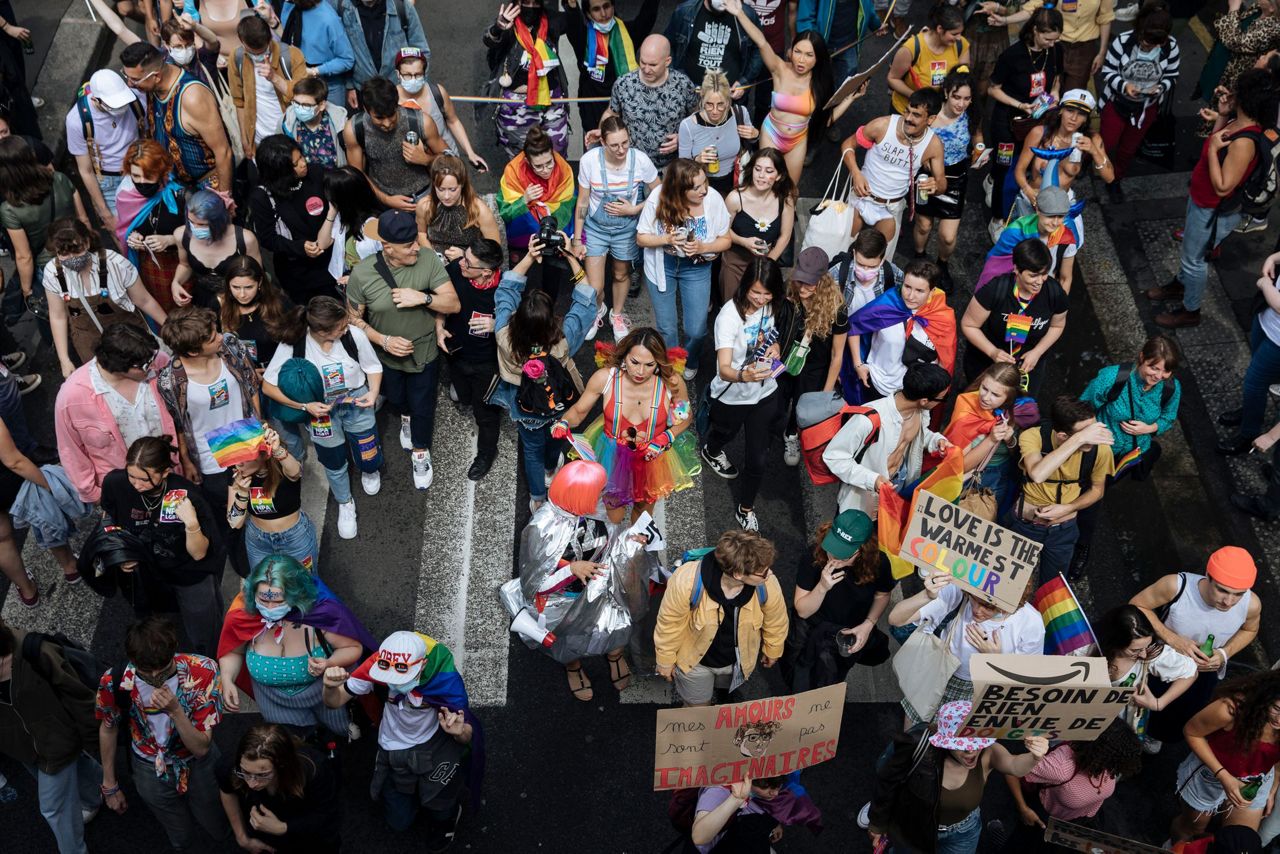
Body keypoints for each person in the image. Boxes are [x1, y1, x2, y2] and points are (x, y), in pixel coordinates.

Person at [500, 459, 657, 699]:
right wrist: (571, 570)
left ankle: (614, 656)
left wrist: (629, 539)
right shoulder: (542, 528)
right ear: (583, 496)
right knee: (567, 641)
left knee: (618, 628)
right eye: (599, 490)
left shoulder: (595, 507)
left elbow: (610, 539)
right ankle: (573, 667)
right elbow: (535, 585)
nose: (605, 493)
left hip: (602, 588)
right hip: (564, 602)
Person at [1148, 66, 1279, 329]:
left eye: (1237, 90)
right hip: (1202, 199)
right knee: (1190, 252)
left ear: (1245, 98)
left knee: (1194, 260)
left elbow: (1223, 186)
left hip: (1212, 209)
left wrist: (1212, 150)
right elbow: (1216, 145)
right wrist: (1222, 116)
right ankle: (1180, 284)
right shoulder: (1237, 121)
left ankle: (1190, 310)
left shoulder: (1245, 142)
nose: (1231, 92)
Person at [322, 630, 481, 846]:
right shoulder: (377, 665)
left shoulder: (443, 679)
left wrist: (459, 732)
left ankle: (448, 817)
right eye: (388, 676)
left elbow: (467, 733)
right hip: (391, 748)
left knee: (440, 803)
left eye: (402, 676)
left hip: (433, 748)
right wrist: (328, 687)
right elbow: (335, 701)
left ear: (423, 665)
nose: (393, 684)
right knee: (399, 821)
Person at [346, 210, 460, 490]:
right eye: (408, 245)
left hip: (423, 352)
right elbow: (352, 318)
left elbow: (453, 303)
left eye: (415, 241)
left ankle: (420, 450)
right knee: (397, 399)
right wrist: (382, 340)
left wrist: (422, 297)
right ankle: (405, 418)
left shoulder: (428, 260)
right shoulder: (362, 273)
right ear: (387, 247)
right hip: (384, 357)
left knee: (423, 405)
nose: (416, 248)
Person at [96, 616, 229, 851]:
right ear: (133, 660)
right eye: (147, 671)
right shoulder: (114, 681)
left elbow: (201, 749)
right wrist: (110, 784)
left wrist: (176, 711)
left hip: (197, 764)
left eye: (164, 668)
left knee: (215, 820)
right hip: (148, 768)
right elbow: (108, 728)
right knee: (178, 832)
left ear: (174, 649)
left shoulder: (203, 671)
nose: (156, 676)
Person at [492, 234, 595, 511]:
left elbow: (506, 292)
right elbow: (585, 300)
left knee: (531, 448)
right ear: (551, 321)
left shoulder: (504, 336)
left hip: (525, 403)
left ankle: (537, 497)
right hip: (559, 401)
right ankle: (551, 468)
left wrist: (529, 256)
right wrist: (570, 257)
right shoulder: (562, 341)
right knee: (556, 435)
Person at [264, 297, 383, 538]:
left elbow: (372, 367)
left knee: (367, 446)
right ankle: (345, 501)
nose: (346, 329)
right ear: (320, 331)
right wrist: (304, 406)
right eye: (340, 327)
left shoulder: (353, 336)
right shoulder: (294, 344)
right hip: (320, 410)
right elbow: (268, 386)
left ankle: (370, 469)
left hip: (355, 399)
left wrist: (372, 393)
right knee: (332, 458)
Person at [217, 555, 374, 736]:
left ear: (295, 595)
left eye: (278, 602)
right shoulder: (242, 618)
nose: (270, 608)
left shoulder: (321, 615)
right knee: (295, 741)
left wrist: (329, 663)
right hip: (274, 704)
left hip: (325, 695)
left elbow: (352, 648)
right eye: (263, 600)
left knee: (340, 730)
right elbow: (233, 651)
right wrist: (227, 679)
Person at [156, 306, 261, 576]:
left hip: (247, 440)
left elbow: (251, 386)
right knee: (233, 520)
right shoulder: (170, 380)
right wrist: (187, 459)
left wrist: (259, 430)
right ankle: (247, 570)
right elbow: (179, 422)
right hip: (211, 458)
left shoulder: (230, 346)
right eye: (213, 337)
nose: (221, 337)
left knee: (262, 503)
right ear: (193, 351)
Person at [866, 700, 1050, 853]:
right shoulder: (919, 750)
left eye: (976, 743)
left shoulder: (988, 754)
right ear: (946, 743)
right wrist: (877, 823)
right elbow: (887, 782)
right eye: (961, 745)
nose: (971, 751)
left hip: (964, 833)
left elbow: (1014, 766)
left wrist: (1035, 757)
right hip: (915, 827)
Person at [99, 437, 227, 656]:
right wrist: (120, 553)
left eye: (144, 479)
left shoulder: (187, 495)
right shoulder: (115, 483)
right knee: (154, 627)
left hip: (188, 572)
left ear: (165, 472)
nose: (136, 485)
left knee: (204, 631)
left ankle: (209, 663)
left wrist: (192, 523)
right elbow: (108, 518)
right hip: (147, 572)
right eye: (131, 476)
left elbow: (199, 554)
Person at [555, 327, 698, 521]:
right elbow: (578, 412)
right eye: (635, 362)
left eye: (649, 365)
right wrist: (563, 422)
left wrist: (667, 436)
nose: (640, 371)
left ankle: (633, 540)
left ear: (658, 362)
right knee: (614, 514)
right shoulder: (605, 378)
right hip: (612, 457)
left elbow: (685, 416)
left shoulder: (671, 382)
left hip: (651, 459)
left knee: (643, 511)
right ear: (624, 356)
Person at [1130, 548, 1263, 750]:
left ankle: (1153, 736)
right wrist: (1173, 639)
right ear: (1208, 576)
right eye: (1222, 590)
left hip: (1203, 669)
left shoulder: (1251, 604)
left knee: (1178, 713)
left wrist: (1224, 653)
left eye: (1238, 594)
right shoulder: (1176, 586)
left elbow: (1250, 629)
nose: (1228, 602)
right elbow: (1137, 605)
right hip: (1159, 661)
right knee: (1135, 703)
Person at [1071, 335, 1182, 575]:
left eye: (1165, 371)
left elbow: (1168, 417)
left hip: (1131, 455)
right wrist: (1094, 432)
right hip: (1099, 452)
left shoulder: (1171, 388)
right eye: (1154, 367)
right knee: (1092, 497)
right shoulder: (1112, 378)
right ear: (1142, 358)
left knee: (1101, 488)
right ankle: (1081, 546)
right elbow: (1082, 408)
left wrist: (1149, 428)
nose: (1159, 376)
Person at [0, 620, 103, 854]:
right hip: (20, 747)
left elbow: (79, 697)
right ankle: (97, 791)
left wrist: (95, 738)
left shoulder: (35, 651)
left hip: (56, 744)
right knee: (79, 767)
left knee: (53, 808)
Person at [653, 529, 789, 707]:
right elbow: (669, 623)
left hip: (735, 661)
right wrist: (665, 660)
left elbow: (776, 619)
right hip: (695, 664)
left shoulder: (767, 584)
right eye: (762, 572)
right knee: (698, 710)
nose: (769, 574)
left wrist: (773, 649)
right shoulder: (686, 581)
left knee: (726, 689)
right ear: (738, 574)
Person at [889, 573, 1045, 725]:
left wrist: (996, 660)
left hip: (981, 689)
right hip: (938, 670)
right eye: (974, 599)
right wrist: (927, 595)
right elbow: (895, 619)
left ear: (1010, 605)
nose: (977, 610)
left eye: (988, 607)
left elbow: (1027, 680)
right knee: (915, 723)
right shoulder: (958, 591)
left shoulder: (1030, 623)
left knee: (953, 735)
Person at [700, 258, 786, 531]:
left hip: (765, 392)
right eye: (755, 292)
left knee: (758, 458)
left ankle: (745, 508)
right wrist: (743, 376)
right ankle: (712, 450)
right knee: (725, 432)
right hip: (733, 395)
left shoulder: (771, 306)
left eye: (767, 294)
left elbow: (771, 336)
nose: (761, 299)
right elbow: (724, 368)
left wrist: (776, 348)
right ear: (745, 286)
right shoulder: (728, 317)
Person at [55, 325, 176, 504]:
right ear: (118, 366)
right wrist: (95, 495)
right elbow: (71, 452)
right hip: (127, 491)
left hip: (173, 474)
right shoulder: (72, 397)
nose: (152, 365)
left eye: (152, 357)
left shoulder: (159, 363)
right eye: (144, 365)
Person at [636, 158, 732, 382]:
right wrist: (667, 239)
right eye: (696, 187)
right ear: (679, 189)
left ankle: (691, 359)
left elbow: (726, 240)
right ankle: (672, 363)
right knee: (666, 327)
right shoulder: (658, 197)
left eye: (704, 182)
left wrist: (703, 247)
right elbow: (641, 238)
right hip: (664, 264)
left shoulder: (713, 200)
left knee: (696, 329)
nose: (704, 190)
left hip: (697, 267)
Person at [1003, 395, 1114, 586]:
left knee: (1053, 587)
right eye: (1087, 433)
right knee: (1007, 582)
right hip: (1025, 525)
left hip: (1063, 530)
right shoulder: (1033, 436)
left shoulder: (1100, 450)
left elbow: (1097, 490)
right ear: (1063, 436)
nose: (1094, 437)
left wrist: (1068, 508)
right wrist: (1078, 440)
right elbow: (1037, 474)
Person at [824, 361, 953, 518]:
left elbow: (919, 433)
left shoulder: (920, 411)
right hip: (864, 495)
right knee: (856, 532)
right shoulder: (868, 419)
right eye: (942, 399)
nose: (942, 402)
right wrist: (873, 480)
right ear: (924, 401)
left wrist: (936, 440)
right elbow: (834, 457)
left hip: (899, 483)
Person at [44, 218, 168, 379]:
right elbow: (58, 317)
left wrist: (170, 327)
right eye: (64, 253)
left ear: (87, 242)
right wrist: (64, 359)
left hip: (132, 342)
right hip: (90, 348)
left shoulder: (115, 263)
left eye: (76, 250)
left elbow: (144, 300)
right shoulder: (52, 273)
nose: (72, 257)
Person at [572, 115, 660, 340]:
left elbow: (660, 193)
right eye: (614, 145)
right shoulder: (590, 161)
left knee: (621, 274)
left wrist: (635, 209)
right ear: (602, 142)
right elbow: (583, 201)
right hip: (596, 228)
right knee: (595, 286)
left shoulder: (640, 160)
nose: (621, 150)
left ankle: (617, 314)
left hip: (626, 229)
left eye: (625, 143)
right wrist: (577, 239)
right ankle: (598, 308)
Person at [786, 509, 893, 692]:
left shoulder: (879, 563)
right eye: (833, 547)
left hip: (847, 632)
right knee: (799, 676)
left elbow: (882, 595)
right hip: (811, 628)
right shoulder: (814, 555)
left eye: (843, 553)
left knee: (830, 678)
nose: (834, 557)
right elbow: (802, 611)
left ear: (862, 550)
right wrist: (822, 587)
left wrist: (868, 624)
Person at [1171, 671, 1280, 843]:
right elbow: (1192, 732)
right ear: (1267, 696)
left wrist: (1272, 788)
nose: (1279, 720)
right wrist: (1223, 776)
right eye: (1277, 709)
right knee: (1192, 829)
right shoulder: (1231, 708)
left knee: (1240, 839)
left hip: (1256, 781)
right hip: (1210, 776)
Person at [1001, 721, 1143, 851]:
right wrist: (1023, 809)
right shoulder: (1061, 767)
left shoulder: (1108, 767)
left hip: (1077, 825)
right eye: (1119, 759)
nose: (1120, 766)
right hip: (1043, 821)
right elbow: (1011, 770)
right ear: (1106, 754)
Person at [984, 8, 1064, 234]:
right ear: (1035, 30)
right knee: (1005, 168)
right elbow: (993, 89)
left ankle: (994, 181)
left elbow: (1057, 77)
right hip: (1008, 121)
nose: (1052, 44)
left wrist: (1055, 93)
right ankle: (998, 219)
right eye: (1048, 39)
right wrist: (1020, 105)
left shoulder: (1056, 50)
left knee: (1024, 164)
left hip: (1037, 120)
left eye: (1055, 39)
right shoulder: (1012, 55)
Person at [841, 88, 947, 248]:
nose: (908, 118)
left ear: (931, 119)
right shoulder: (882, 125)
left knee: (881, 257)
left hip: (891, 208)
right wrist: (856, 173)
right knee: (841, 247)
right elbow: (848, 145)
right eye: (907, 111)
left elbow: (941, 184)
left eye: (916, 115)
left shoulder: (933, 145)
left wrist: (936, 185)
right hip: (862, 199)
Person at [436, 237, 506, 481]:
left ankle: (486, 454)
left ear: (486, 272)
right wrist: (439, 326)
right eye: (464, 257)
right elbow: (441, 301)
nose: (460, 263)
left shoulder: (506, 290)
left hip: (487, 364)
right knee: (463, 396)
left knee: (485, 413)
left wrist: (498, 324)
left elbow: (526, 323)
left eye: (467, 262)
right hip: (456, 353)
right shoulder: (456, 271)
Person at [960, 238, 1068, 396]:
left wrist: (1037, 352)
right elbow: (969, 325)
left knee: (1022, 406)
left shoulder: (1054, 293)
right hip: (987, 361)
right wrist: (992, 352)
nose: (1040, 281)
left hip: (1028, 365)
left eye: (1044, 274)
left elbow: (1057, 325)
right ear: (1016, 269)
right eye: (1033, 275)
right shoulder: (995, 290)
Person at [121, 42, 233, 192]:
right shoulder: (152, 87)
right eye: (126, 76)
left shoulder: (193, 97)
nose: (130, 84)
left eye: (135, 79)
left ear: (156, 77)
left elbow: (223, 152)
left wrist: (224, 197)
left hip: (209, 186)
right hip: (177, 185)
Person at [0, 136, 90, 323]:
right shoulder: (60, 178)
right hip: (79, 250)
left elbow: (24, 256)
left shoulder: (10, 209)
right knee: (91, 304)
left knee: (61, 318)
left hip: (50, 267)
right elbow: (83, 219)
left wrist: (27, 290)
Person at [843, 259, 956, 405]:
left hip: (913, 393)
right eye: (907, 287)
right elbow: (854, 326)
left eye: (919, 291)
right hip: (877, 383)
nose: (911, 295)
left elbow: (945, 359)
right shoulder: (887, 305)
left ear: (932, 292)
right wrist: (858, 365)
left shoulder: (942, 318)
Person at [217, 723, 342, 854]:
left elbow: (326, 815)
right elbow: (226, 789)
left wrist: (282, 828)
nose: (251, 784)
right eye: (246, 772)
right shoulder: (232, 765)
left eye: (262, 775)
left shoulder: (314, 769)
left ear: (282, 765)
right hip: (264, 838)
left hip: (309, 837)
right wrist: (242, 838)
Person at [912, 67, 984, 292]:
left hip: (956, 178)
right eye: (956, 97)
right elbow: (914, 139)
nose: (961, 104)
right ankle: (919, 258)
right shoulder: (931, 115)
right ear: (946, 93)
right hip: (927, 176)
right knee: (924, 225)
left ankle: (942, 265)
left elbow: (977, 135)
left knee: (948, 237)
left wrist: (980, 148)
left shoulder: (971, 115)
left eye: (967, 99)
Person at [247, 135, 341, 304]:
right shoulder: (262, 197)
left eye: (302, 157)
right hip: (297, 271)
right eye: (295, 164)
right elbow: (268, 238)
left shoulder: (316, 174)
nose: (304, 164)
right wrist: (299, 247)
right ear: (279, 171)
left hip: (333, 260)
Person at [775, 247, 847, 466]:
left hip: (815, 368)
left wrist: (825, 393)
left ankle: (791, 435)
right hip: (785, 360)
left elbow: (837, 354)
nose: (803, 287)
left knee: (801, 408)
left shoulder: (837, 308)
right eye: (800, 280)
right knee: (775, 404)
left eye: (809, 283)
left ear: (822, 280)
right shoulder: (789, 290)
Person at [1098, 2, 1179, 184]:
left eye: (1154, 44)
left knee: (1128, 149)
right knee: (1107, 142)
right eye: (1145, 41)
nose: (1148, 47)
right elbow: (1108, 71)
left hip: (1146, 109)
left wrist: (1160, 88)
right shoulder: (1123, 41)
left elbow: (1172, 75)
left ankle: (1115, 179)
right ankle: (1093, 163)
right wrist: (1124, 86)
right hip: (1116, 103)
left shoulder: (1171, 47)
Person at [1097, 604, 1197, 750]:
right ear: (1115, 642)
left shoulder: (1151, 654)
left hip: (1125, 722)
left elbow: (1191, 672)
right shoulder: (1084, 650)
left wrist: (1159, 703)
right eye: (1135, 650)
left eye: (1146, 646)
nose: (1144, 654)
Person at [496, 127, 577, 307]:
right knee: (524, 280)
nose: (546, 170)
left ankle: (548, 311)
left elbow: (569, 205)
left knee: (552, 276)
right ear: (527, 161)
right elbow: (504, 213)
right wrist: (523, 200)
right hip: (522, 238)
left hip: (554, 231)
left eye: (549, 163)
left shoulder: (563, 170)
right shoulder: (513, 173)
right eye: (538, 166)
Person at [1008, 91, 1115, 226]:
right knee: (1025, 238)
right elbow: (1020, 169)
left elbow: (1110, 178)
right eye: (1070, 111)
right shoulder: (1040, 133)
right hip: (1032, 199)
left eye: (1081, 114)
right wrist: (1028, 191)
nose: (1074, 118)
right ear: (1061, 111)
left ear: (1085, 119)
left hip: (1060, 206)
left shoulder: (1092, 139)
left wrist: (1094, 151)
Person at [344, 76, 446, 213]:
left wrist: (426, 159)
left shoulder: (421, 122)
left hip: (423, 197)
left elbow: (449, 159)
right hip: (381, 201)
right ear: (366, 110)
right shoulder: (354, 129)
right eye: (379, 118)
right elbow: (357, 174)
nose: (387, 123)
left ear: (397, 105)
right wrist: (386, 199)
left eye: (391, 114)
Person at [599, 34, 700, 170]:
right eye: (642, 62)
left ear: (667, 61)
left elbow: (697, 117)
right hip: (633, 165)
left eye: (653, 65)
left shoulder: (683, 84)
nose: (646, 69)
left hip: (672, 167)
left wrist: (683, 138)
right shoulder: (624, 84)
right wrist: (603, 132)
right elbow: (611, 113)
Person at [484, 0, 571, 155]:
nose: (530, 7)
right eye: (525, 2)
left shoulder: (551, 21)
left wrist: (572, 5)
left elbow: (575, 22)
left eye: (535, 2)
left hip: (552, 102)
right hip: (517, 106)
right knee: (523, 160)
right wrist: (498, 28)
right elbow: (489, 40)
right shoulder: (508, 22)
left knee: (557, 156)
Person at [225, 425, 316, 571]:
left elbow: (296, 472)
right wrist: (242, 493)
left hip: (295, 538)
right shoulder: (237, 474)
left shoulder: (282, 466)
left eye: (245, 457)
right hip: (258, 541)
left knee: (303, 582)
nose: (238, 463)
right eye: (237, 456)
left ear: (265, 455)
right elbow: (235, 523)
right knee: (263, 583)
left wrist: (277, 449)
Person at [562, 0, 661, 135]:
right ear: (588, 14)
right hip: (594, 114)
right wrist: (572, 6)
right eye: (596, 9)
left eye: (606, 6)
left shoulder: (628, 32)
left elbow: (647, 17)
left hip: (626, 110)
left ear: (613, 6)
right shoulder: (583, 37)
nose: (603, 13)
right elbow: (573, 23)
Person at [66, 69, 141, 237]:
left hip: (140, 168)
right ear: (95, 99)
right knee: (122, 235)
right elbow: (86, 170)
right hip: (108, 181)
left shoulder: (135, 99)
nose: (122, 107)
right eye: (115, 104)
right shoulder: (77, 121)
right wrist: (104, 212)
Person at [943, 363, 1023, 518]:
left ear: (1009, 397)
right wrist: (991, 439)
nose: (985, 397)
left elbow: (1019, 456)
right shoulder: (967, 405)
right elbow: (961, 466)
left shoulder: (1018, 413)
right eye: (984, 388)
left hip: (998, 478)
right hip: (966, 478)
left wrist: (1010, 440)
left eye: (995, 395)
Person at [116, 139, 186, 314]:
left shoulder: (179, 195)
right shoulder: (126, 196)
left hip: (181, 264)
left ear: (162, 172)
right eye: (135, 176)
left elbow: (201, 234)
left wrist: (170, 240)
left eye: (148, 176)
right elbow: (127, 228)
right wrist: (134, 237)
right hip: (149, 268)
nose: (142, 182)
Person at [718, 147, 796, 304]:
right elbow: (722, 230)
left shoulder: (785, 200)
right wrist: (743, 241)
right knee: (733, 306)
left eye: (769, 171)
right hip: (735, 263)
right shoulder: (735, 198)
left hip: (766, 263)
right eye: (758, 169)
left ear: (779, 176)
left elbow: (785, 236)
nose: (761, 175)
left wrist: (767, 264)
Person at [393, 47, 489, 173]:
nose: (413, 79)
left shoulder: (437, 93)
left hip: (446, 164)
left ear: (424, 73)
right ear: (398, 74)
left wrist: (470, 153)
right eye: (407, 75)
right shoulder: (392, 100)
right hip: (414, 170)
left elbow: (453, 121)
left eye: (418, 74)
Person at [1222, 253, 1280, 461]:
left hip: (1278, 342)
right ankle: (1250, 411)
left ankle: (1249, 433)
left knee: (1254, 383)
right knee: (1256, 381)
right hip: (1266, 320)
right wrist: (1273, 258)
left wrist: (1265, 285)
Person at [227, 15, 307, 160]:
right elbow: (239, 102)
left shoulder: (292, 55)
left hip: (290, 136)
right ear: (242, 41)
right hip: (259, 140)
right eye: (253, 52)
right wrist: (245, 138)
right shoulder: (237, 57)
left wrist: (275, 78)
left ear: (269, 38)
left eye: (263, 51)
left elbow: (306, 96)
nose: (258, 55)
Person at [978, 185, 1081, 294]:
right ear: (1037, 210)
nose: (1055, 223)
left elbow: (1065, 278)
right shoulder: (1015, 232)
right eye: (1050, 216)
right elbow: (996, 267)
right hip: (1012, 291)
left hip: (1043, 293)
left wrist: (1059, 303)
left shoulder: (1066, 238)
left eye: (1060, 216)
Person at [172, 189, 263, 310]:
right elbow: (185, 265)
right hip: (204, 300)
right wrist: (176, 282)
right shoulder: (181, 235)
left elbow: (257, 275)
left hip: (239, 299)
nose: (195, 228)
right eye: (191, 222)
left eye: (202, 224)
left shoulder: (245, 239)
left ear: (219, 220)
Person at [689, 776, 823, 853]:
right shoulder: (717, 792)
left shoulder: (758, 788)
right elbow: (699, 837)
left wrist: (773, 825)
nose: (775, 793)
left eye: (779, 785)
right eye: (766, 786)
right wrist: (735, 800)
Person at [678, 70, 757, 198]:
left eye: (720, 104)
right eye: (709, 104)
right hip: (702, 188)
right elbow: (681, 168)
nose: (715, 111)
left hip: (735, 183)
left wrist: (755, 135)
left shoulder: (740, 114)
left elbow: (751, 144)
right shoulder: (688, 126)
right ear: (702, 99)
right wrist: (697, 160)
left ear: (728, 100)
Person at [665, 0, 763, 103]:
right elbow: (667, 46)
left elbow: (760, 48)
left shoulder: (746, 15)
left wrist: (744, 81)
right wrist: (679, 81)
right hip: (691, 94)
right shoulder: (685, 11)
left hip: (729, 96)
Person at [1005, 0, 1113, 93]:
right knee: (1049, 88)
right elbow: (1034, 6)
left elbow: (1105, 18)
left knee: (1073, 93)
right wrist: (1005, 20)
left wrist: (1102, 53)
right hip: (1055, 44)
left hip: (1083, 49)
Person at [259, 0, 354, 105]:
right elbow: (292, 39)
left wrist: (314, 71)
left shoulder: (328, 18)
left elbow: (346, 60)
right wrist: (271, 21)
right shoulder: (290, 5)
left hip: (328, 86)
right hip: (300, 81)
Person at [338, 0, 430, 108]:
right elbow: (344, 52)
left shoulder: (401, 7)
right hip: (363, 91)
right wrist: (350, 86)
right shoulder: (344, 8)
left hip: (399, 89)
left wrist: (418, 87)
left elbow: (421, 49)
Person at [417, 154, 503, 263]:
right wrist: (433, 257)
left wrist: (466, 256)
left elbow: (494, 251)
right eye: (441, 189)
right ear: (434, 184)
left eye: (452, 189)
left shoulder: (479, 211)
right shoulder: (425, 205)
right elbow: (421, 234)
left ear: (462, 184)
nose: (446, 196)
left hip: (468, 265)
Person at [887, 5, 970, 117]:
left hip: (939, 115)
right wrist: (918, 97)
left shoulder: (961, 45)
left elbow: (963, 78)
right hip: (908, 113)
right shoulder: (912, 48)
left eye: (960, 33)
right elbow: (893, 78)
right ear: (940, 29)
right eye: (954, 34)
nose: (959, 38)